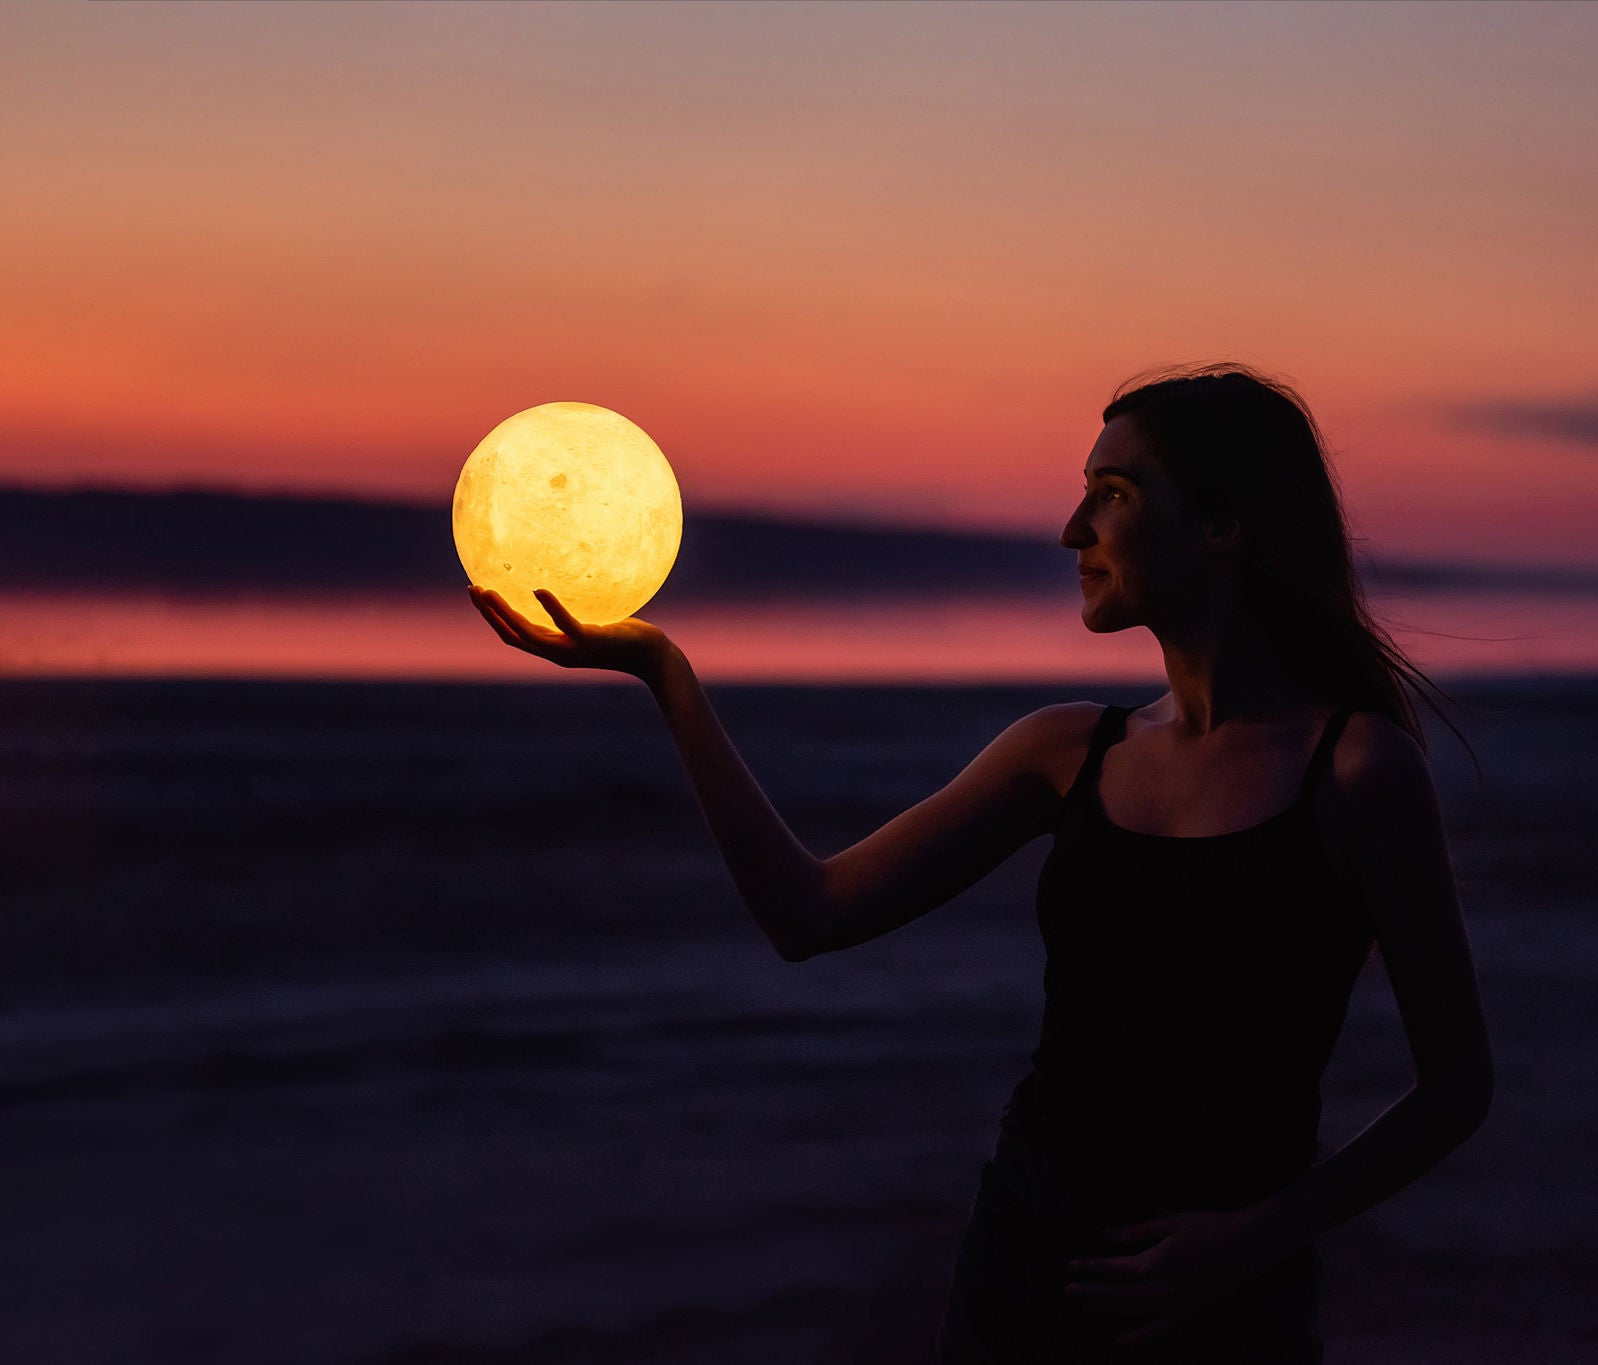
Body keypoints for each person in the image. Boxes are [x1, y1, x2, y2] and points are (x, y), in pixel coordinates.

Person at [468, 363, 1493, 1363]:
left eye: (1113, 494)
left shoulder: (1355, 769)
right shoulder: (1065, 753)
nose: (1071, 532)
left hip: (1221, 1305)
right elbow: (808, 913)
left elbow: (1454, 1087)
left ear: (1222, 525)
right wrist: (666, 674)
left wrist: (1254, 1237)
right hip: (1021, 1267)